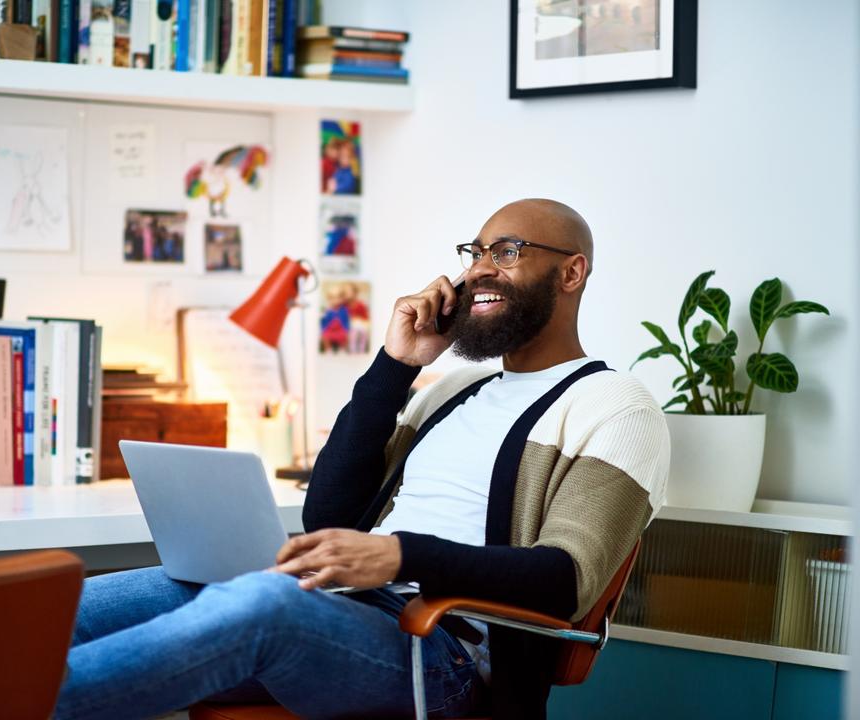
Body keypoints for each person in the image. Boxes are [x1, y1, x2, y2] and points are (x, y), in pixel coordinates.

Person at [54, 199, 669, 720]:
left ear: (571, 272)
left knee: (262, 605)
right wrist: (395, 365)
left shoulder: (615, 405)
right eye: (475, 253)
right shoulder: (452, 390)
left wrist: (400, 555)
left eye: (506, 252)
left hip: (440, 652)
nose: (480, 270)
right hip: (338, 609)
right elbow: (329, 513)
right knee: (69, 608)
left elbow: (565, 580)